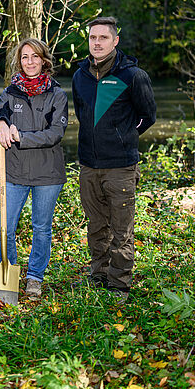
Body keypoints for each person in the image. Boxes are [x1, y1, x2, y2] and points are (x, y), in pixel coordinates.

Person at [71, 17, 156, 301]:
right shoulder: (80, 75)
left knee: (121, 228)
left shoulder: (133, 76)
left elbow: (148, 117)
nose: (97, 43)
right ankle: (99, 273)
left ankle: (119, 283)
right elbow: (83, 115)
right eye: (93, 38)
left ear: (115, 41)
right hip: (88, 165)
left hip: (120, 166)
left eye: (103, 38)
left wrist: (124, 138)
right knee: (96, 225)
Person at [0, 38, 68, 298]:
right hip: (15, 173)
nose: (30, 61)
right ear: (19, 61)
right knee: (4, 228)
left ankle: (35, 277)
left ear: (44, 60)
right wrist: (0, 122)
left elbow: (55, 133)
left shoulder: (56, 93)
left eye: (35, 56)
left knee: (41, 227)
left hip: (48, 174)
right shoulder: (12, 92)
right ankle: (9, 272)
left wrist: (21, 136)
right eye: (25, 57)